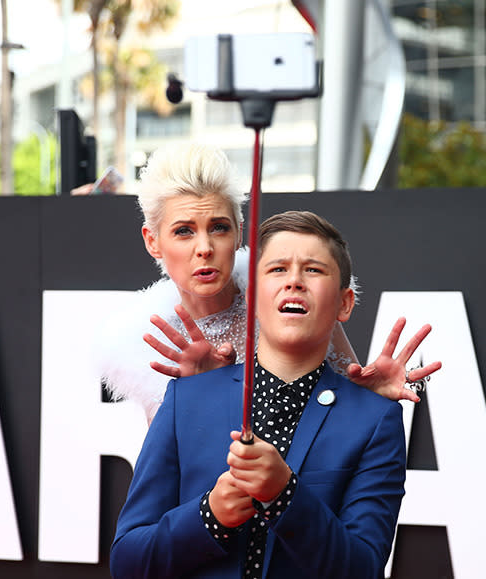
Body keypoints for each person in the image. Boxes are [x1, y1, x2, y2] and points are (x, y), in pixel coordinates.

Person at [110, 210, 406, 578]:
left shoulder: (376, 420)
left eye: (313, 270)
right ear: (251, 295)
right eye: (277, 269)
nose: (294, 281)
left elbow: (363, 568)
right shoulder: (185, 400)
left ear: (345, 303)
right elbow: (128, 561)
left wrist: (285, 496)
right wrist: (209, 516)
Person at [97, 142, 441, 423]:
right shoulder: (148, 346)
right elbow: (175, 477)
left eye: (219, 227)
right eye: (183, 231)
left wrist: (368, 398)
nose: (205, 248)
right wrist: (202, 394)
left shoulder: (285, 297)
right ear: (152, 240)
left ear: (239, 231)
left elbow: (343, 417)